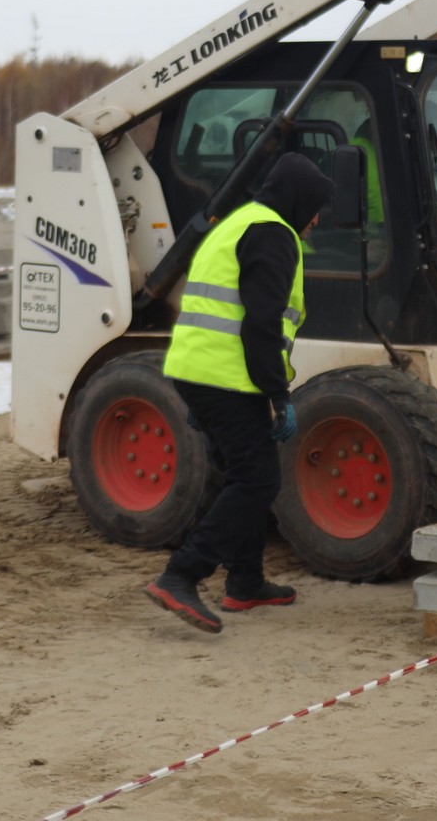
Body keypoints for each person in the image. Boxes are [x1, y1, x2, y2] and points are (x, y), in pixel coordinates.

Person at [145, 151, 334, 634]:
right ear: (297, 203)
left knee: (244, 475)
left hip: (203, 371)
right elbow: (261, 325)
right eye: (314, 209)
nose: (315, 221)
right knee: (257, 480)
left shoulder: (235, 223)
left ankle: (245, 583)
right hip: (226, 376)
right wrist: (279, 395)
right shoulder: (274, 234)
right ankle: (181, 575)